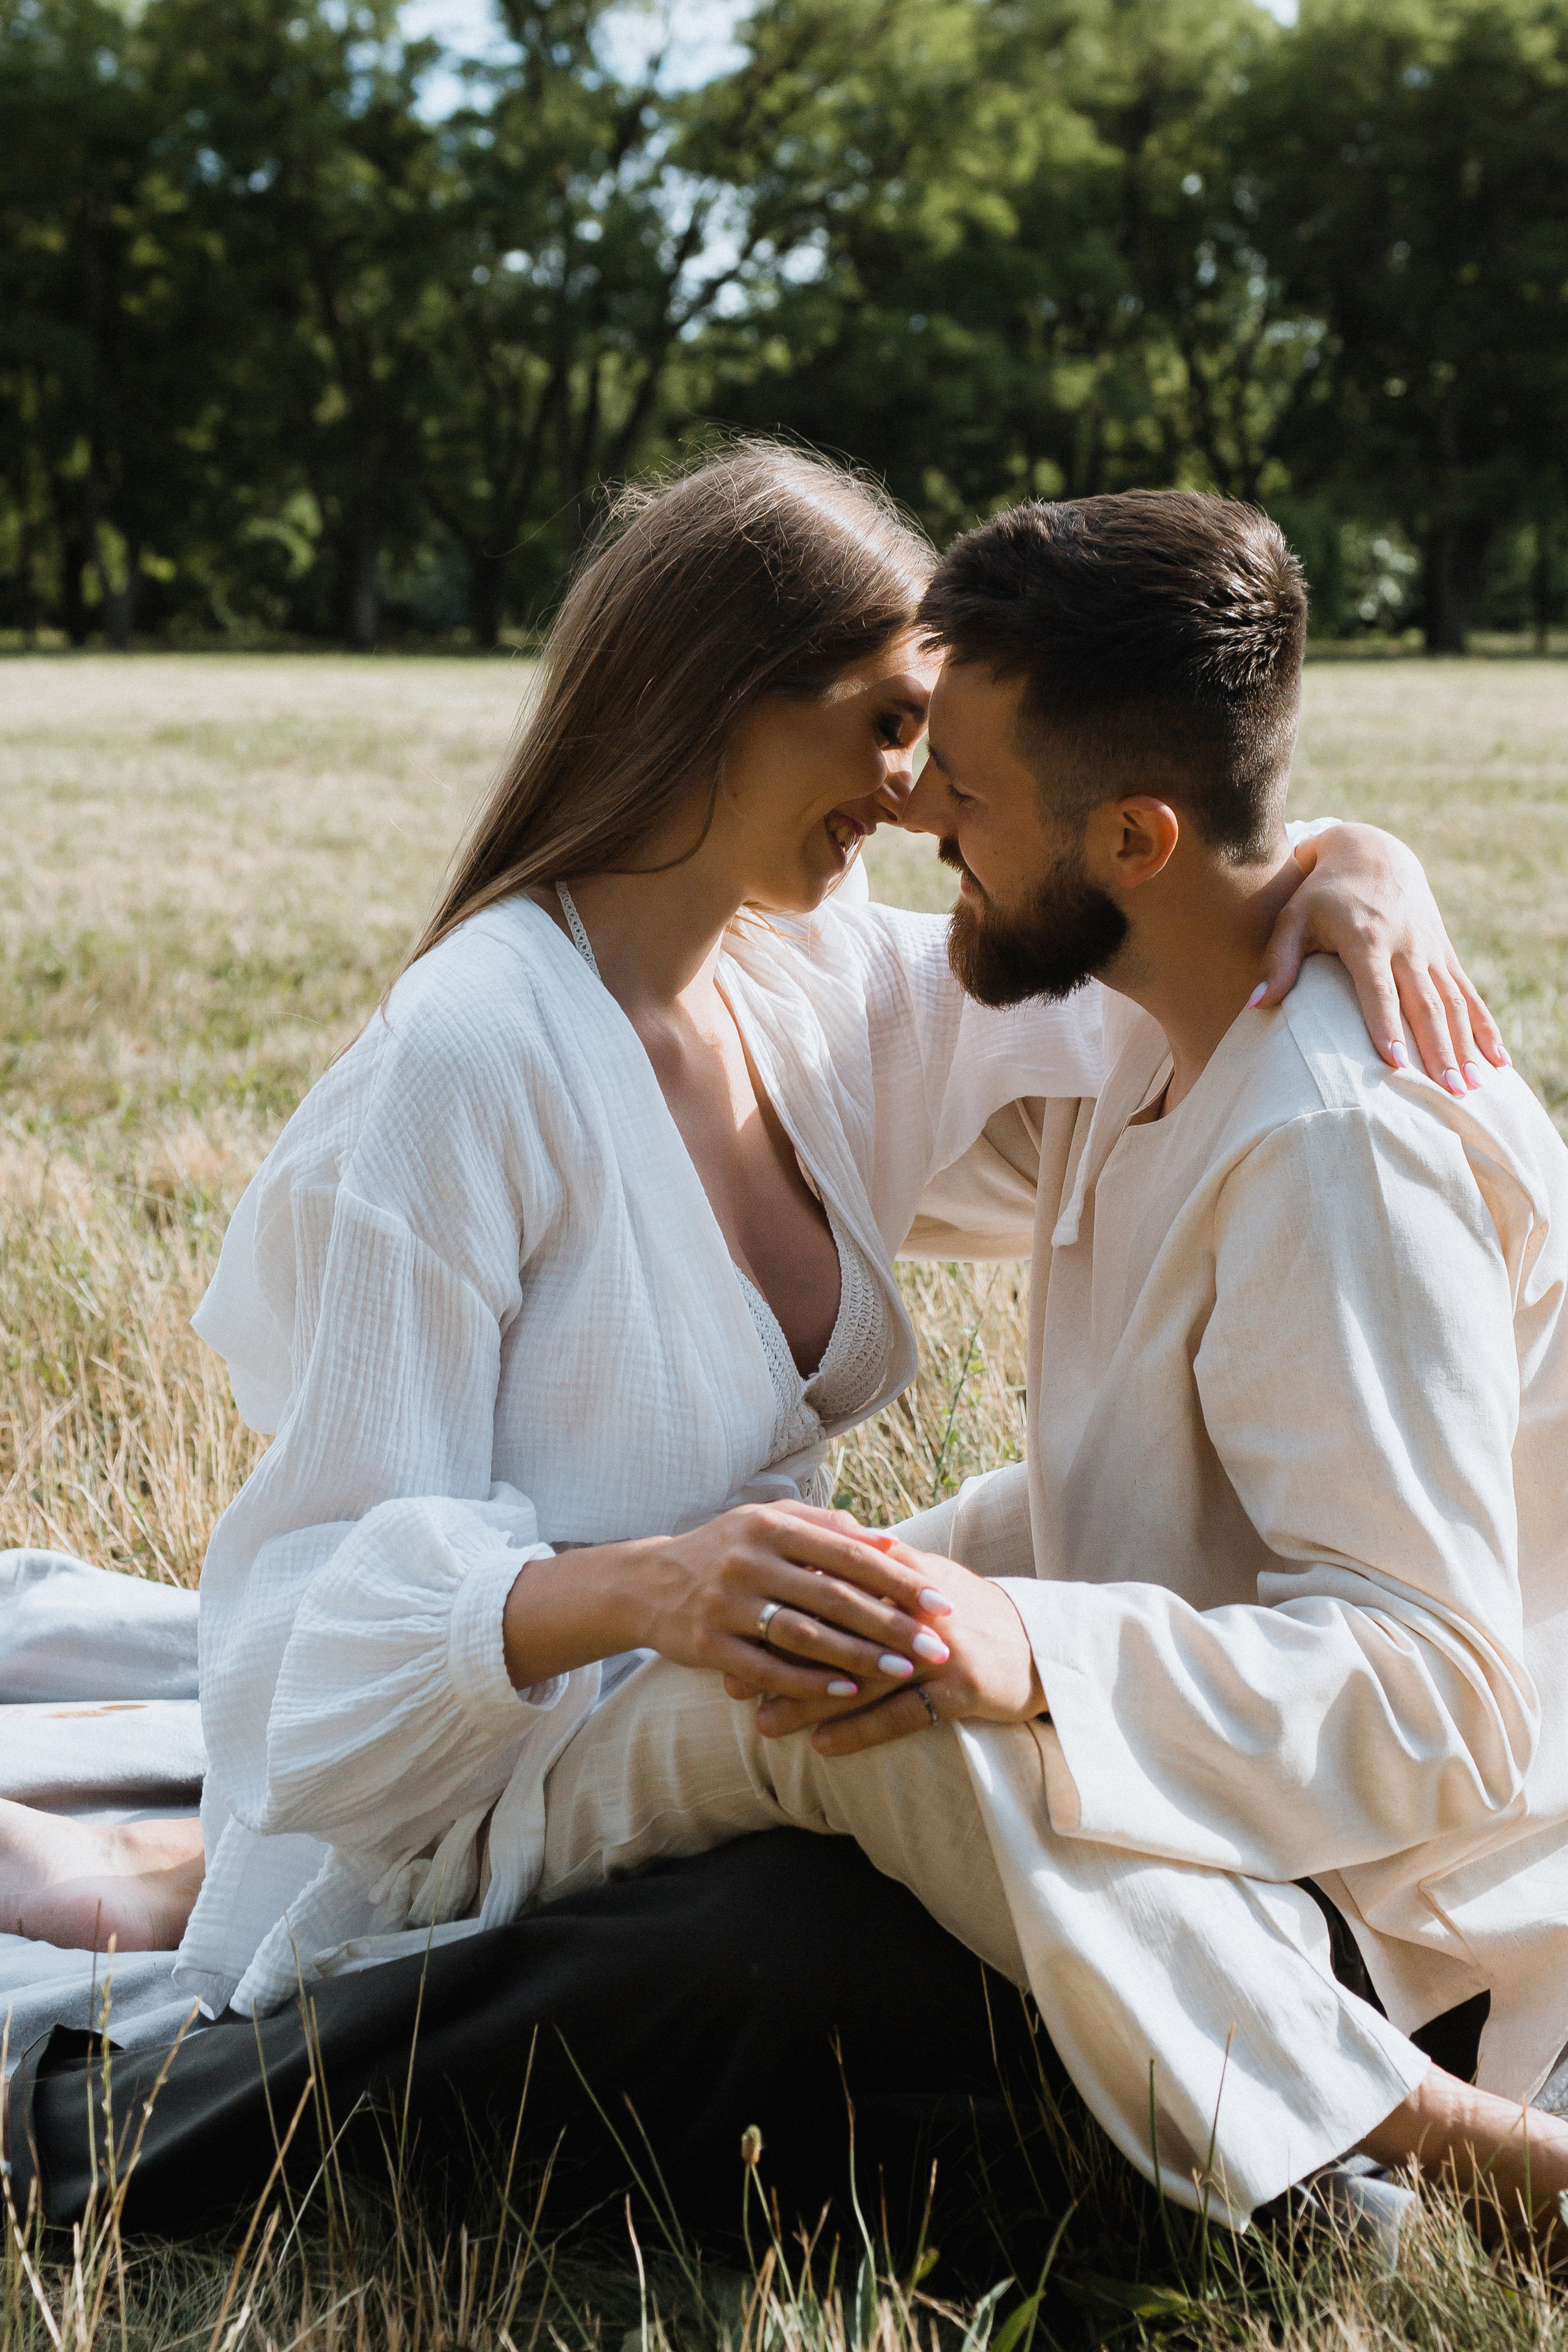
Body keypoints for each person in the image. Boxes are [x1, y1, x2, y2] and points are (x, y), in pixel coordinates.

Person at [0, 448, 1494, 2230]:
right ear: (715, 706)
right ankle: (1428, 2138)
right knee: (882, 1674)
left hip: (680, 1672)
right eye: (886, 728)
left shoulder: (810, 983)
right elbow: (307, 1662)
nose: (924, 796)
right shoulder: (470, 1058)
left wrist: (1350, 865)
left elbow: (1156, 947)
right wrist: (643, 1590)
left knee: (1030, 1541)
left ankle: (144, 1860)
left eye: (937, 742)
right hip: (496, 1758)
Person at [453, 487, 1568, 2236]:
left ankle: (1440, 2146)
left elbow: (1441, 1705)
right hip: (1212, 1810)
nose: (911, 811)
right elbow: (816, 1117)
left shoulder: (1337, 1148)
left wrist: (1021, 1649)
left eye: (959, 782)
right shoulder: (1141, 1029)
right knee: (812, 1682)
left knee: (767, 1862)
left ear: (1131, 840)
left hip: (1387, 1916)